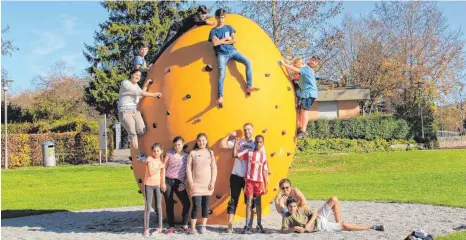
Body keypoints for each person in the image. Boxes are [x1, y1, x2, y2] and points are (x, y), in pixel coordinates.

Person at [209, 8, 260, 107]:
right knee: (222, 75)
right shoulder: (213, 31)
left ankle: (249, 86)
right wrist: (225, 39)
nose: (221, 20)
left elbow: (234, 40)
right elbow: (215, 43)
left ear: (225, 18)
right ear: (216, 18)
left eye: (222, 17)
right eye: (219, 18)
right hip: (222, 54)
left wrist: (223, 41)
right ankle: (220, 97)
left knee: (248, 62)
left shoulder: (228, 27)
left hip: (233, 51)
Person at [219, 123, 264, 233]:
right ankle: (229, 225)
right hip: (236, 175)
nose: (247, 131)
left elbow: (262, 159)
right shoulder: (239, 141)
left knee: (250, 202)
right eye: (245, 130)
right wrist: (229, 135)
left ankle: (249, 225)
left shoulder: (257, 143)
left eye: (248, 129)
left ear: (252, 130)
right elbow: (222, 145)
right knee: (233, 200)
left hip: (249, 178)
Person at [118, 69, 162, 160]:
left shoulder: (136, 86)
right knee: (133, 133)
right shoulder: (125, 83)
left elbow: (140, 95)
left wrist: (146, 85)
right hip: (125, 112)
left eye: (139, 76)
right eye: (136, 74)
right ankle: (139, 154)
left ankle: (131, 136)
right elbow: (138, 92)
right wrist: (154, 95)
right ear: (131, 74)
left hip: (134, 111)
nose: (137, 77)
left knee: (142, 130)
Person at [281, 196, 384, 234]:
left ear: (297, 205)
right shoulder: (286, 217)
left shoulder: (301, 209)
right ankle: (371, 227)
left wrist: (308, 224)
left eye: (294, 206)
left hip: (319, 217)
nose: (292, 208)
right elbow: (284, 230)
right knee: (345, 226)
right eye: (290, 207)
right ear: (287, 206)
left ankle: (338, 221)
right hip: (321, 226)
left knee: (334, 199)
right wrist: (294, 228)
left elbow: (315, 213)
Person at [234, 135, 269, 234]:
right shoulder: (248, 153)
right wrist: (236, 143)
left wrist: (266, 184)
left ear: (263, 143)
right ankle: (247, 225)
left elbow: (265, 171)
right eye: (257, 142)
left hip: (259, 182)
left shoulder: (264, 156)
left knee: (258, 203)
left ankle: (259, 224)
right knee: (249, 203)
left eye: (260, 142)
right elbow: (235, 155)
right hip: (249, 181)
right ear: (254, 143)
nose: (258, 144)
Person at [280, 56, 320, 138]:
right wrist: (289, 61)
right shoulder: (305, 67)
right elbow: (297, 66)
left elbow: (296, 69)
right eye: (312, 60)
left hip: (309, 93)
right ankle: (300, 127)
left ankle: (303, 130)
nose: (312, 62)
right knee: (301, 110)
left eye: (315, 61)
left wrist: (284, 64)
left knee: (304, 111)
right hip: (306, 93)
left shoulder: (306, 68)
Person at [186, 133, 218, 234]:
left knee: (206, 205)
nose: (201, 142)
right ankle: (193, 228)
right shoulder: (192, 153)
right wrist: (190, 182)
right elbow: (188, 169)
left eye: (203, 140)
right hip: (196, 185)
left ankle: (203, 226)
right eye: (199, 140)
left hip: (207, 184)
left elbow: (214, 168)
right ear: (197, 142)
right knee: (196, 205)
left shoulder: (210, 153)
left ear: (206, 141)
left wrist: (212, 182)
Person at [163, 136, 191, 234]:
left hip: (179, 183)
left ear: (183, 144)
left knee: (187, 203)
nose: (177, 146)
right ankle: (171, 226)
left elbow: (189, 171)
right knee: (169, 203)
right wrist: (162, 182)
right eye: (175, 145)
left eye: (179, 144)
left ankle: (185, 224)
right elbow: (163, 167)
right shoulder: (169, 153)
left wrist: (185, 183)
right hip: (168, 181)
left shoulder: (187, 156)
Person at [143, 143, 166, 236]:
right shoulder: (149, 159)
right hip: (148, 184)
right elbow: (151, 172)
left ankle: (160, 227)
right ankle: (146, 229)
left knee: (158, 206)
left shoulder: (161, 161)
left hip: (157, 185)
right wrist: (160, 167)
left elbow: (163, 174)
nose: (156, 153)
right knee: (148, 207)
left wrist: (163, 183)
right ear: (152, 151)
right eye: (154, 151)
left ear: (161, 151)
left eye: (158, 151)